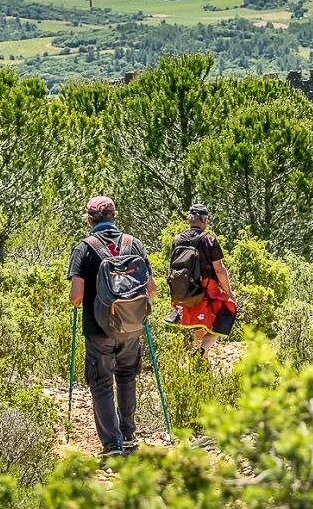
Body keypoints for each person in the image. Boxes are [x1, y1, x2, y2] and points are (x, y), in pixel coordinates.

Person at [67, 195, 156, 459]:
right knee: (127, 377)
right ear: (114, 216)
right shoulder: (134, 244)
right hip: (131, 326)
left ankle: (112, 445)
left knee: (102, 382)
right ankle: (128, 437)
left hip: (98, 328)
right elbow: (151, 290)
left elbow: (76, 297)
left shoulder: (84, 248)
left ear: (89, 219)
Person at [164, 204, 237, 357]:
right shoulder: (209, 240)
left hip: (184, 291)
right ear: (204, 220)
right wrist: (229, 292)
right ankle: (201, 352)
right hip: (206, 291)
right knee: (226, 313)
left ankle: (199, 361)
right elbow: (219, 270)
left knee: (200, 323)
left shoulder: (177, 240)